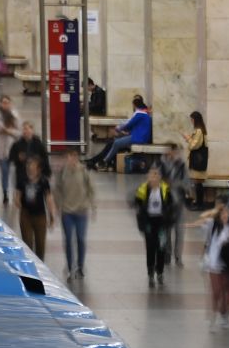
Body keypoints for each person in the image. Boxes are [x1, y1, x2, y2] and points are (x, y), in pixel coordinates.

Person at [133, 165, 181, 286]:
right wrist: (142, 220)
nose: (154, 177)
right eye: (152, 174)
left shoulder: (165, 189)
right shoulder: (143, 189)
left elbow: (171, 205)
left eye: (156, 174)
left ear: (160, 177)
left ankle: (160, 272)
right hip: (149, 222)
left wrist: (169, 218)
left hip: (161, 223)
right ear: (148, 177)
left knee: (161, 248)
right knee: (150, 248)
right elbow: (137, 205)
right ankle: (150, 273)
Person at [52, 150, 94, 279]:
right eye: (69, 156)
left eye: (74, 156)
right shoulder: (62, 172)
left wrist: (92, 205)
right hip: (67, 212)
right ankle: (70, 266)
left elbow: (90, 188)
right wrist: (59, 206)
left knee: (81, 239)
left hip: (81, 211)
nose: (71, 159)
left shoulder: (83, 171)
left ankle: (80, 265)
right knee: (68, 239)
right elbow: (57, 189)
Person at [89, 95, 153, 171]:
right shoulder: (144, 114)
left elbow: (129, 124)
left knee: (116, 143)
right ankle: (104, 161)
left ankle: (104, 161)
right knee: (114, 142)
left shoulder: (139, 114)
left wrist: (118, 129)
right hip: (139, 136)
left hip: (138, 138)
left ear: (134, 105)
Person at [158, 142, 191, 265]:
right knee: (166, 229)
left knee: (179, 229)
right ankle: (167, 254)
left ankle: (178, 256)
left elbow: (187, 183)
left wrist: (176, 184)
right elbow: (153, 180)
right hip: (165, 202)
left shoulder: (181, 165)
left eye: (172, 151)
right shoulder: (160, 164)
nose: (171, 153)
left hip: (179, 201)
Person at [14, 153, 51, 258]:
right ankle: (30, 266)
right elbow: (17, 194)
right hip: (26, 215)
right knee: (27, 242)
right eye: (28, 166)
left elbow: (48, 198)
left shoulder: (44, 181)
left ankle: (40, 267)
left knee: (40, 244)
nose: (30, 169)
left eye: (33, 166)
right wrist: (17, 202)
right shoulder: (22, 179)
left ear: (39, 169)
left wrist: (52, 214)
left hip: (40, 215)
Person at [0, 95, 20, 205]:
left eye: (7, 102)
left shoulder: (14, 116)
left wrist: (10, 132)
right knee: (4, 171)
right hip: (0, 149)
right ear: (0, 103)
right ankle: (5, 192)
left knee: (14, 172)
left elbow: (19, 133)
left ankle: (16, 192)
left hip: (12, 149)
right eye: (3, 102)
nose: (5, 105)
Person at [185, 110, 209, 187]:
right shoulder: (201, 130)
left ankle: (199, 199)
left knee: (197, 182)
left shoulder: (199, 131)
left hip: (197, 161)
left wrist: (188, 138)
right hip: (200, 160)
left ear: (195, 120)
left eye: (192, 120)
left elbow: (194, 145)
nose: (191, 122)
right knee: (198, 182)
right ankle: (199, 199)